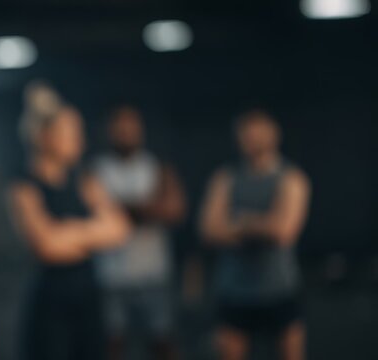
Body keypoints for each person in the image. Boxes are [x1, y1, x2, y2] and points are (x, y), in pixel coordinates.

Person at [8, 82, 130, 360]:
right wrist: (93, 235)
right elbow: (47, 246)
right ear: (44, 136)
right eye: (71, 132)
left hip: (88, 301)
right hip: (50, 306)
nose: (80, 140)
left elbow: (120, 229)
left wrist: (67, 232)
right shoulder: (24, 186)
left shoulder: (85, 180)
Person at [199, 110, 310, 360]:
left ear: (274, 135)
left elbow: (283, 232)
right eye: (247, 134)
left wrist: (239, 223)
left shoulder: (291, 178)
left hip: (280, 289)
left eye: (258, 133)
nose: (252, 139)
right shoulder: (225, 178)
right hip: (234, 291)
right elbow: (209, 229)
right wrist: (263, 224)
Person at [92, 105, 186, 360]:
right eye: (119, 129)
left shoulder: (156, 166)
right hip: (111, 276)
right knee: (113, 344)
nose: (125, 134)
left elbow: (173, 209)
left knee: (163, 342)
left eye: (130, 128)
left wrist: (120, 207)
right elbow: (93, 210)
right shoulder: (96, 169)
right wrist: (146, 205)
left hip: (153, 274)